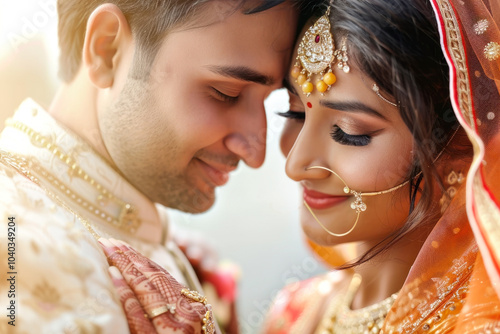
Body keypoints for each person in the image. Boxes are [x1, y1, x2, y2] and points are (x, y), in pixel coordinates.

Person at [0, 0, 318, 333]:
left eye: (272, 102)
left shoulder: (166, 243)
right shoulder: (19, 248)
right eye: (225, 93)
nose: (256, 155)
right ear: (106, 49)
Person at [261, 0, 500, 333]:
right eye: (295, 114)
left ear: (458, 146)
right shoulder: (292, 314)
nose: (295, 164)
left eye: (349, 132)